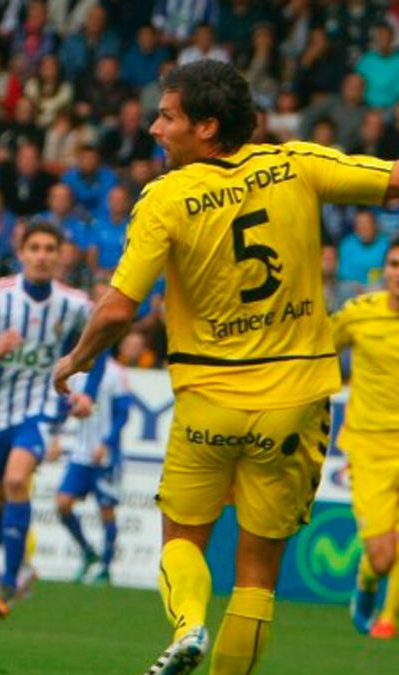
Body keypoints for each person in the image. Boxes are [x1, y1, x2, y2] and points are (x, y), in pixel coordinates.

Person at [53, 60, 399, 675]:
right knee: (257, 574)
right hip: (295, 403)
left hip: (210, 399)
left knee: (182, 541)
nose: (155, 129)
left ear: (208, 128)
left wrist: (76, 358)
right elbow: (394, 180)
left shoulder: (166, 198)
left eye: (167, 116)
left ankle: (188, 625)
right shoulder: (297, 164)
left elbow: (116, 311)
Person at [0, 221, 97, 623]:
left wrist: (87, 387)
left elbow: (99, 347)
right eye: (34, 248)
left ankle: (11, 578)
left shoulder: (75, 305)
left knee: (18, 480)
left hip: (40, 407)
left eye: (49, 249)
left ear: (60, 256)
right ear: (21, 253)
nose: (41, 255)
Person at [333, 242, 399, 640]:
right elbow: (318, 346)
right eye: (394, 264)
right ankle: (369, 579)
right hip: (370, 447)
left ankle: (388, 619)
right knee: (383, 553)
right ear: (385, 270)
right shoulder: (360, 314)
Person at [55, 341, 131, 586]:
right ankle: (87, 551)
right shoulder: (77, 371)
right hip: (80, 453)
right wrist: (56, 435)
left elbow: (123, 414)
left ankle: (106, 568)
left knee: (106, 511)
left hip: (105, 455)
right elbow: (65, 406)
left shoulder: (116, 373)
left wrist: (107, 443)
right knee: (63, 503)